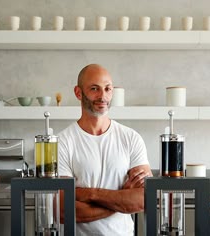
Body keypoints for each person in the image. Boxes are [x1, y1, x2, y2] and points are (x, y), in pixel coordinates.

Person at [58, 64, 152, 236]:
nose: (103, 96)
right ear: (78, 93)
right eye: (94, 89)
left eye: (108, 89)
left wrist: (90, 194)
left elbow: (145, 199)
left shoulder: (130, 138)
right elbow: (64, 210)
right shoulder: (63, 142)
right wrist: (122, 199)